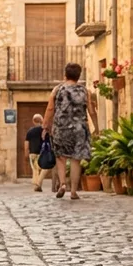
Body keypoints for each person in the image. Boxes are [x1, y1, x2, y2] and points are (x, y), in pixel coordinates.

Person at [41, 62, 98, 200]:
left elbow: (50, 109)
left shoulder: (57, 90)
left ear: (65, 74)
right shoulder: (85, 91)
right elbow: (91, 110)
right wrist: (96, 126)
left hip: (61, 127)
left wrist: (45, 127)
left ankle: (62, 184)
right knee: (75, 159)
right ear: (79, 76)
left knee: (60, 157)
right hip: (79, 129)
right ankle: (73, 191)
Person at [25, 114, 46, 192]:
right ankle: (38, 184)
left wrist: (26, 152)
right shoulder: (44, 130)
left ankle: (36, 184)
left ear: (33, 121)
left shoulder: (30, 131)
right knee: (43, 168)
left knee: (35, 169)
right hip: (42, 152)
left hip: (33, 152)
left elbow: (26, 142)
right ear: (41, 120)